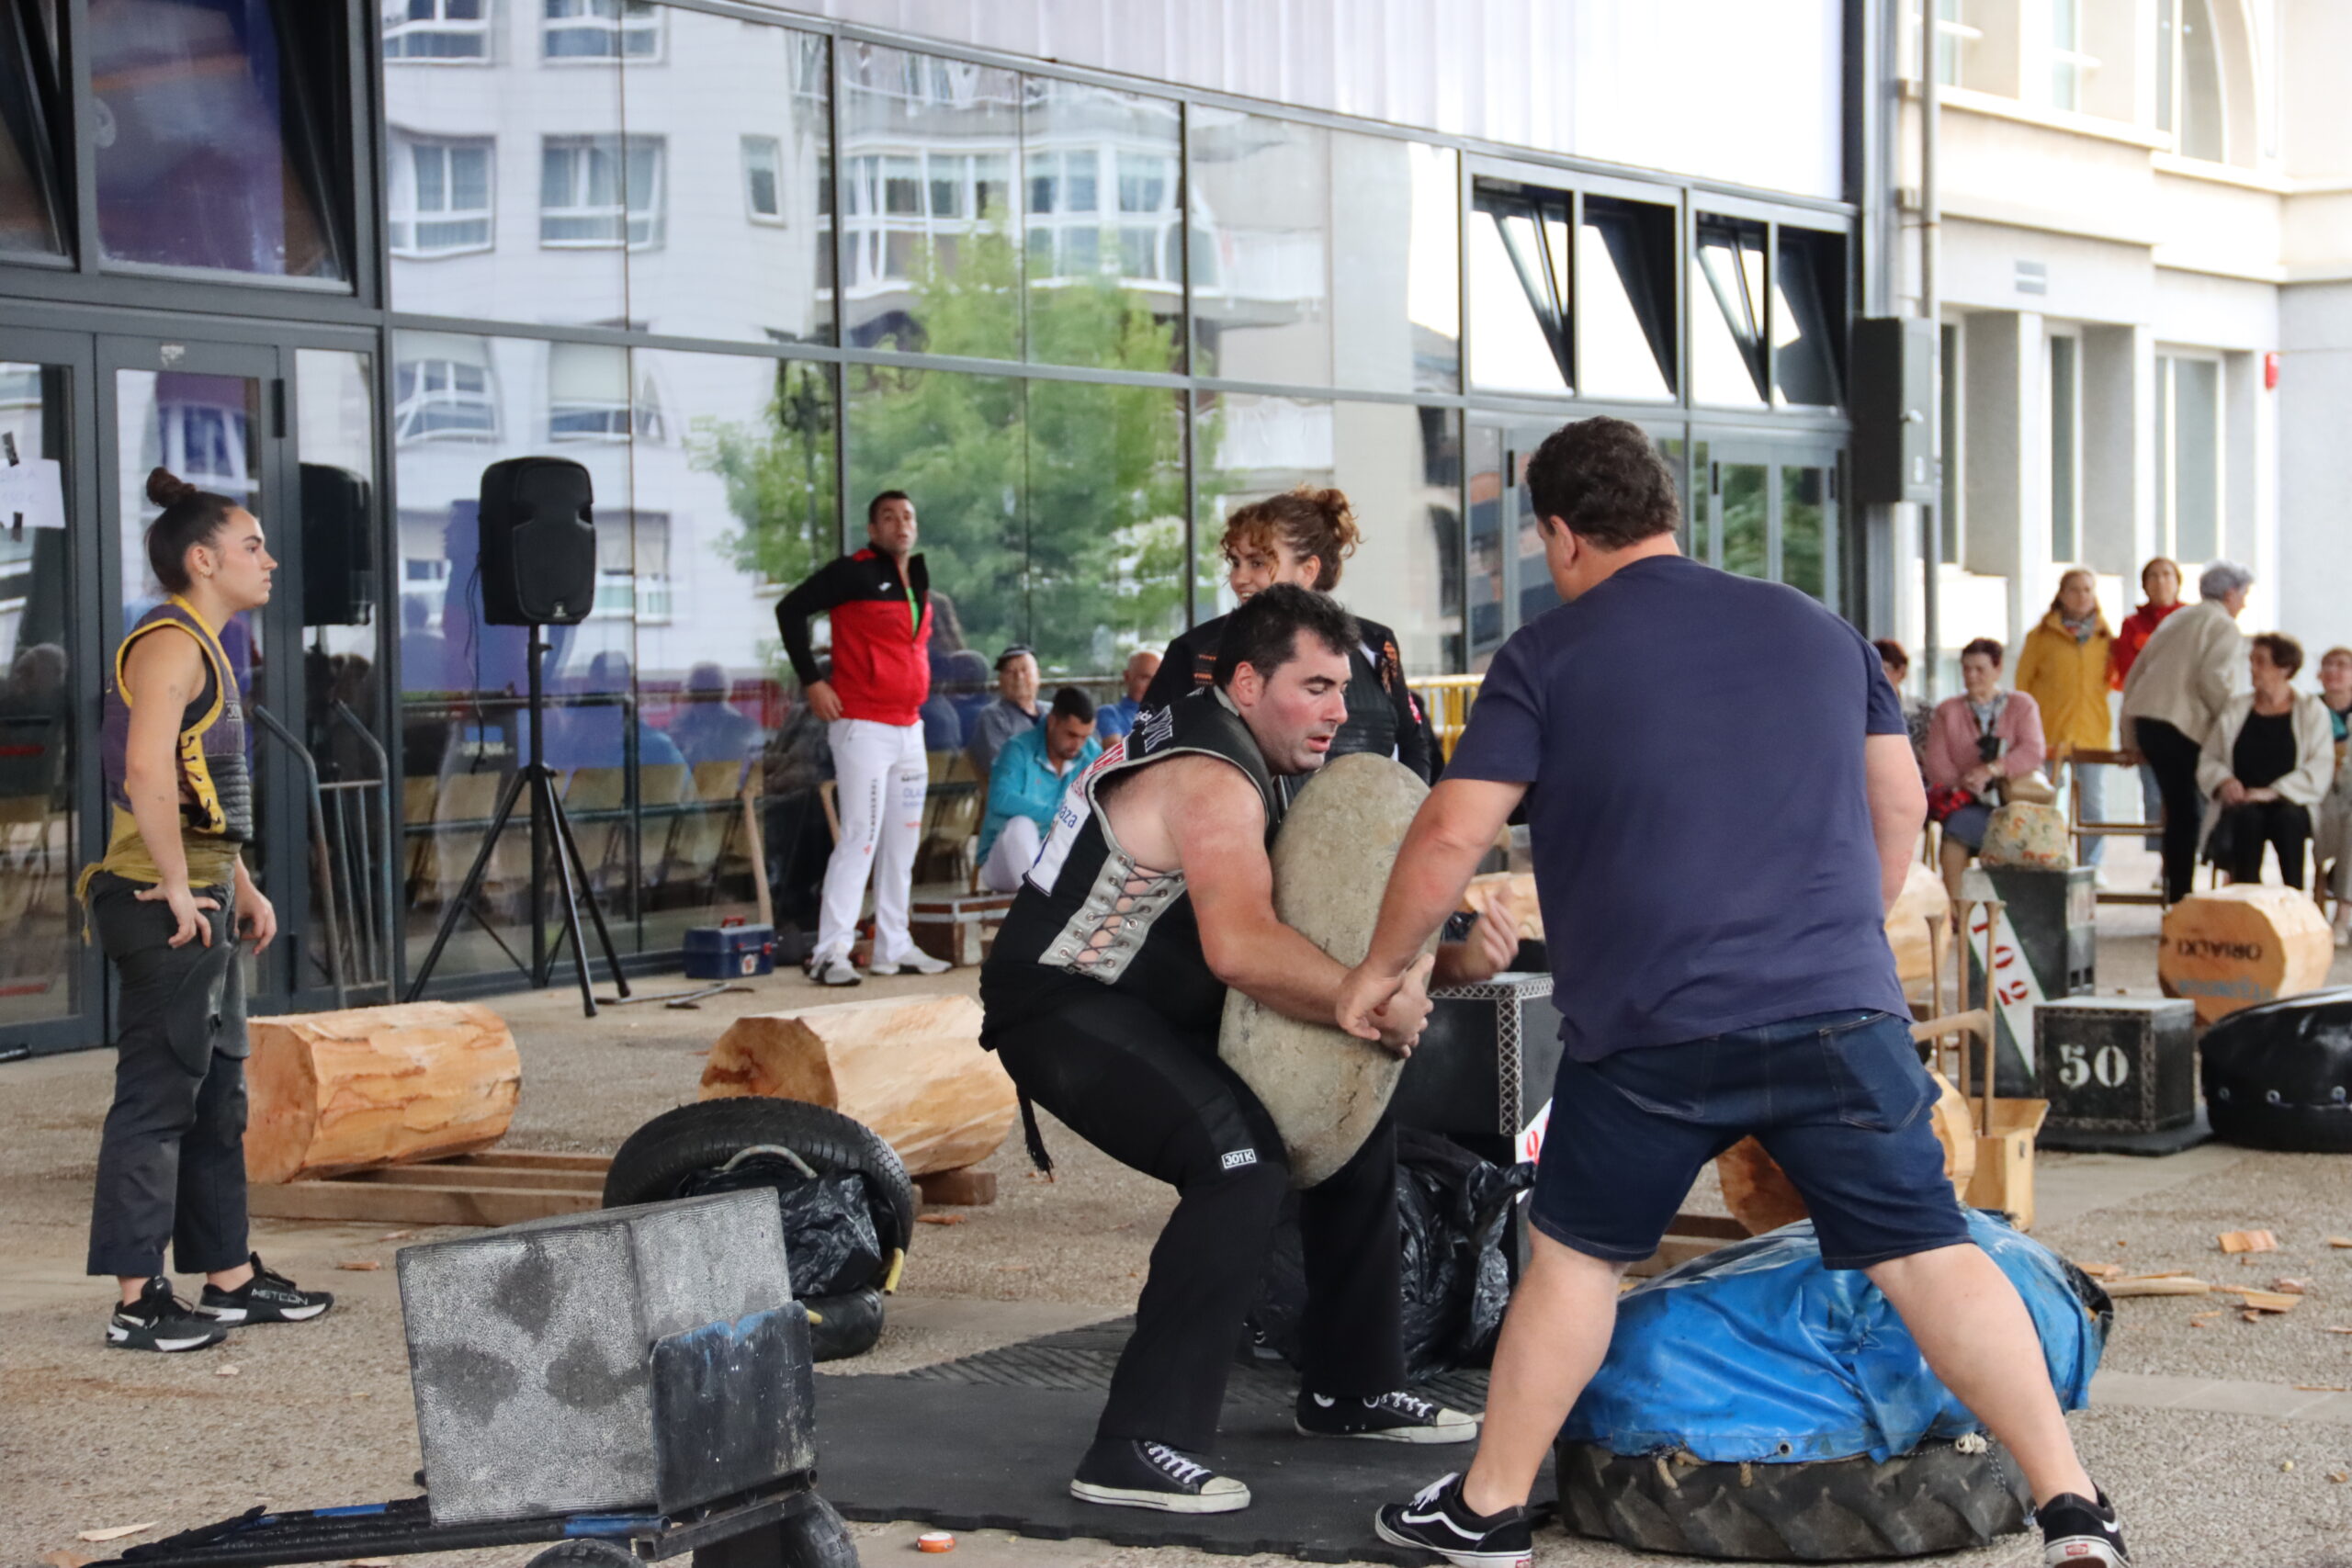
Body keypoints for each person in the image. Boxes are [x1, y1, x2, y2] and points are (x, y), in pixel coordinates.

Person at [1335, 417, 2129, 1568]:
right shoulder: (1819, 630)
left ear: (1559, 534)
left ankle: (1487, 1512)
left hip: (1649, 1031)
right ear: (1664, 513)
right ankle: (2072, 1508)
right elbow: (1900, 804)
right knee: (1925, 1252)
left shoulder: (1547, 655)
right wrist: (1840, 938)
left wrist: (1379, 969)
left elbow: (1454, 829)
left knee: (1579, 1259)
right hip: (1836, 1012)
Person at [979, 585, 1512, 1516]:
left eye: (1341, 688)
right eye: (1314, 687)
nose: (1338, 711)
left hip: (1149, 998)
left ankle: (1351, 1387)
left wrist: (1452, 963)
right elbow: (1242, 947)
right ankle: (1134, 1446)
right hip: (1060, 1002)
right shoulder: (1213, 776)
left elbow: (1330, 925)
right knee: (1237, 1160)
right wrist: (1359, 1001)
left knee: (1353, 1129)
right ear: (1249, 684)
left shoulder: (1256, 752)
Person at [78, 468, 334, 1353]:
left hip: (202, 892)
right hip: (156, 898)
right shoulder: (169, 644)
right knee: (157, 1097)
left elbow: (202, 786)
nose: (268, 559)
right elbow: (145, 770)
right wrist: (182, 885)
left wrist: (240, 884)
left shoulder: (210, 645)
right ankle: (137, 1300)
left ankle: (228, 1278)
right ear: (202, 559)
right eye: (252, 545)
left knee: (219, 1096)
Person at [775, 490, 951, 987]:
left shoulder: (916, 577)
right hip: (863, 726)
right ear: (873, 530)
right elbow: (790, 610)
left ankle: (894, 944)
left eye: (908, 516)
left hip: (909, 726)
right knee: (860, 837)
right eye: (889, 517)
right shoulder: (853, 572)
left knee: (903, 844)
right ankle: (830, 952)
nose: (901, 524)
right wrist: (813, 681)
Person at [1144, 487, 1436, 782]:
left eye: (1258, 563)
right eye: (1235, 562)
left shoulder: (1375, 643)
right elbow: (1150, 755)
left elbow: (1414, 745)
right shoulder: (1194, 651)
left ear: (1308, 570)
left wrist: (1403, 806)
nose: (1239, 578)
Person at [2120, 561, 2252, 905]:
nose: (2244, 603)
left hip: (2148, 721)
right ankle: (2182, 898)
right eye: (2244, 595)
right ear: (2230, 593)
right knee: (2188, 813)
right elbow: (2213, 679)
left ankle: (2177, 893)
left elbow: (2135, 675)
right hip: (2180, 725)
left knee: (2180, 810)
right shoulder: (2223, 625)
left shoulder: (2179, 617)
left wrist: (2128, 736)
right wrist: (2231, 722)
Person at [2195, 633, 2332, 891]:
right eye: (2251, 661)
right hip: (2243, 800)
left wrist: (2273, 792)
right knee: (2248, 819)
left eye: (2260, 662)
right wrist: (2224, 781)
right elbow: (2210, 758)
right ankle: (2246, 899)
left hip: (2291, 800)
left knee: (2288, 820)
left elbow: (2320, 764)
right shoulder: (2236, 708)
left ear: (2284, 668)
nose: (2252, 668)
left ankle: (2294, 898)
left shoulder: (2310, 709)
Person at [1924, 637, 2049, 899]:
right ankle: (1955, 908)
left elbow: (2033, 751)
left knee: (2013, 829)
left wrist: (1993, 769)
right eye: (1966, 669)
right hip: (1967, 801)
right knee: (1956, 828)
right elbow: (1936, 765)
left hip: (2015, 803)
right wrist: (1967, 781)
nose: (1971, 676)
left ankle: (2008, 908)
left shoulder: (2022, 705)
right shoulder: (1948, 710)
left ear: (1998, 669)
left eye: (1980, 669)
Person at [2015, 569, 2114, 872]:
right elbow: (2023, 684)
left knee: (2092, 804)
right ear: (2061, 594)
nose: (2082, 596)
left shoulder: (2105, 637)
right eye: (2074, 589)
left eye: (2087, 589)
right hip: (2048, 733)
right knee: (2044, 799)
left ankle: (2091, 867)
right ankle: (2045, 859)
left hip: (2091, 733)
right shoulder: (2040, 636)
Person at [976, 686, 1102, 893]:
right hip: (1005, 860)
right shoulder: (1017, 749)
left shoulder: (1091, 754)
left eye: (1085, 737)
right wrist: (1061, 815)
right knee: (1020, 826)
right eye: (1071, 734)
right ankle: (1038, 901)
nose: (1078, 744)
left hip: (1058, 856)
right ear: (1052, 722)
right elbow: (1000, 798)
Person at [2110, 558, 2185, 854]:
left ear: (2178, 582)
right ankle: (2162, 860)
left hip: (2184, 719)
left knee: (2183, 795)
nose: (2161, 581)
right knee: (2154, 793)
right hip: (2148, 719)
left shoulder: (2190, 619)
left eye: (2167, 574)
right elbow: (2129, 675)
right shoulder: (2132, 625)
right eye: (2153, 575)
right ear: (2144, 584)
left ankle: (2182, 857)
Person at [2313, 648, 2352, 942]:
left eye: (2342, 665)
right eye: (2327, 665)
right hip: (2316, 791)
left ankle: (2343, 913)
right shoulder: (2308, 709)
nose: (2333, 671)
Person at [667, 661, 762, 771]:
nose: (692, 698)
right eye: (692, 691)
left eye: (698, 692)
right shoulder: (684, 722)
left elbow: (734, 770)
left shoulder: (740, 728)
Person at [966, 644, 1043, 775]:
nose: (1019, 677)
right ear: (1000, 680)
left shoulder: (1054, 712)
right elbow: (1004, 768)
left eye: (1025, 670)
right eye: (1010, 672)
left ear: (1038, 675)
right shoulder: (993, 717)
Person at [1871, 637, 1932, 766]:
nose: (1876, 677)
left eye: (1884, 669)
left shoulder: (1923, 710)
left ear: (1901, 671)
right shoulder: (1859, 711)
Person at [1094, 649, 1161, 742]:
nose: (1152, 685)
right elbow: (1115, 748)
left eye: (1157, 679)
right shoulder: (1109, 713)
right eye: (1145, 678)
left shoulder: (1169, 713)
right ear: (1127, 676)